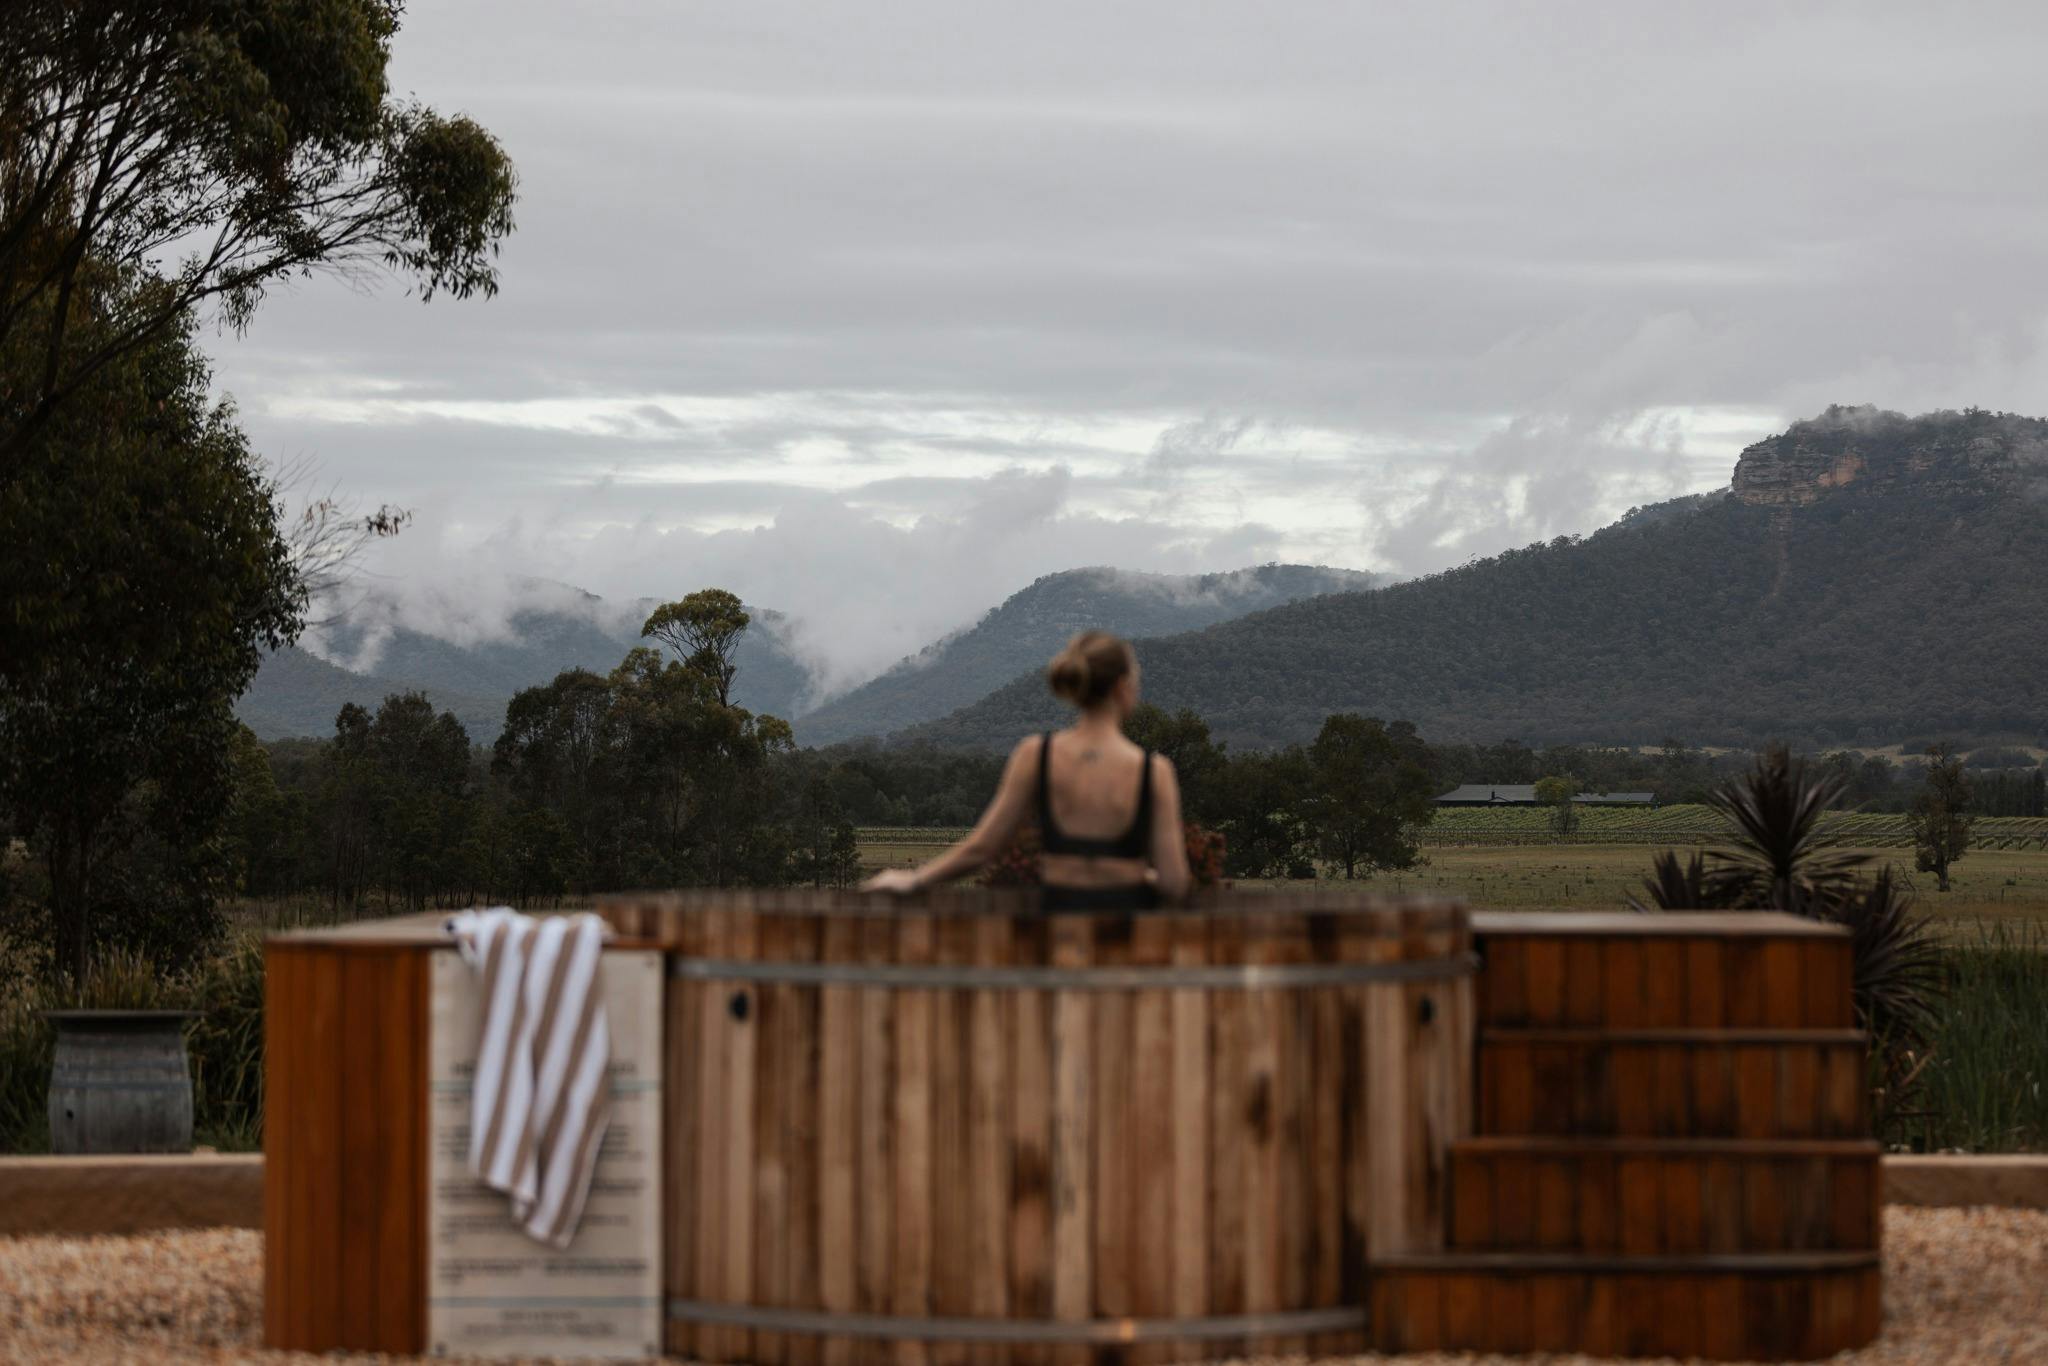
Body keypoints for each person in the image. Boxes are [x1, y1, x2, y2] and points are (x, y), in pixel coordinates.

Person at [862, 631, 1192, 909]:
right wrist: (1140, 874)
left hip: (1057, 933)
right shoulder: (1155, 771)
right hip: (1124, 938)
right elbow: (1175, 883)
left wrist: (916, 879)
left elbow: (983, 848)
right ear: (1122, 686)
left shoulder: (1037, 755)